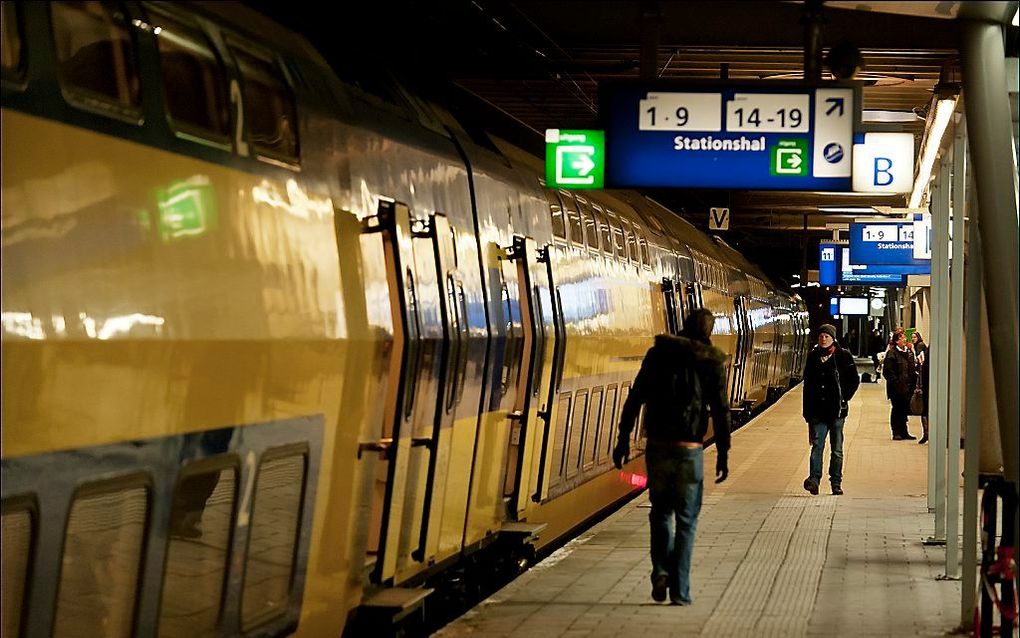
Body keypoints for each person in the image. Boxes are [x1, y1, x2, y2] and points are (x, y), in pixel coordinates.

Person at [613, 308, 730, 606]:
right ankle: (680, 591)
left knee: (661, 513)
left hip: (658, 445)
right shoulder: (711, 361)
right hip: (690, 449)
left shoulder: (657, 354)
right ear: (708, 332)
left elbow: (635, 397)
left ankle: (660, 572)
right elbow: (720, 409)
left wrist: (623, 439)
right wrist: (723, 453)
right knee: (687, 520)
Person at [802, 324, 860, 496]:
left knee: (837, 449)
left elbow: (854, 380)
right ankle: (814, 480)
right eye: (821, 336)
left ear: (833, 338)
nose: (823, 339)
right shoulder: (813, 357)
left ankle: (836, 482)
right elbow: (808, 386)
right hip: (817, 412)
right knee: (817, 446)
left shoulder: (843, 356)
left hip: (837, 411)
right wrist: (807, 413)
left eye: (826, 336)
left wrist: (845, 398)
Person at [883, 332, 917, 440]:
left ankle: (904, 431)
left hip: (908, 387)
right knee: (897, 409)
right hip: (896, 389)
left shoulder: (909, 353)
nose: (905, 340)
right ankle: (896, 432)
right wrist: (896, 383)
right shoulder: (892, 354)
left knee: (904, 410)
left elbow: (912, 369)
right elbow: (887, 372)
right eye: (902, 338)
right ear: (897, 341)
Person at [912, 331, 930, 444]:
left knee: (925, 409)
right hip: (925, 380)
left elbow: (922, 364)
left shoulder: (920, 346)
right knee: (925, 409)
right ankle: (927, 433)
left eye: (915, 337)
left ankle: (927, 433)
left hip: (925, 381)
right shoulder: (920, 346)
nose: (913, 338)